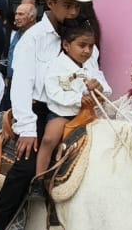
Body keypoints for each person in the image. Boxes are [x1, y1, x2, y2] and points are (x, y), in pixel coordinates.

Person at [0, 0, 99, 230]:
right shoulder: (33, 38)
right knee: (27, 167)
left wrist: (94, 91)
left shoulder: (83, 37)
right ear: (53, 4)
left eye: (77, 6)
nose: (74, 12)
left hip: (78, 106)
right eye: (69, 6)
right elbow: (21, 85)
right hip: (41, 110)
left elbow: (93, 70)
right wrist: (28, 129)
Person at [36, 19, 110, 192]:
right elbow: (53, 92)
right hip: (63, 114)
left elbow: (107, 89)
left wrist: (99, 87)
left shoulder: (91, 66)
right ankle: (38, 180)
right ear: (67, 46)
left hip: (89, 114)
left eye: (91, 46)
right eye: (82, 45)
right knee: (49, 139)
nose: (87, 51)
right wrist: (79, 98)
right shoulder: (56, 65)